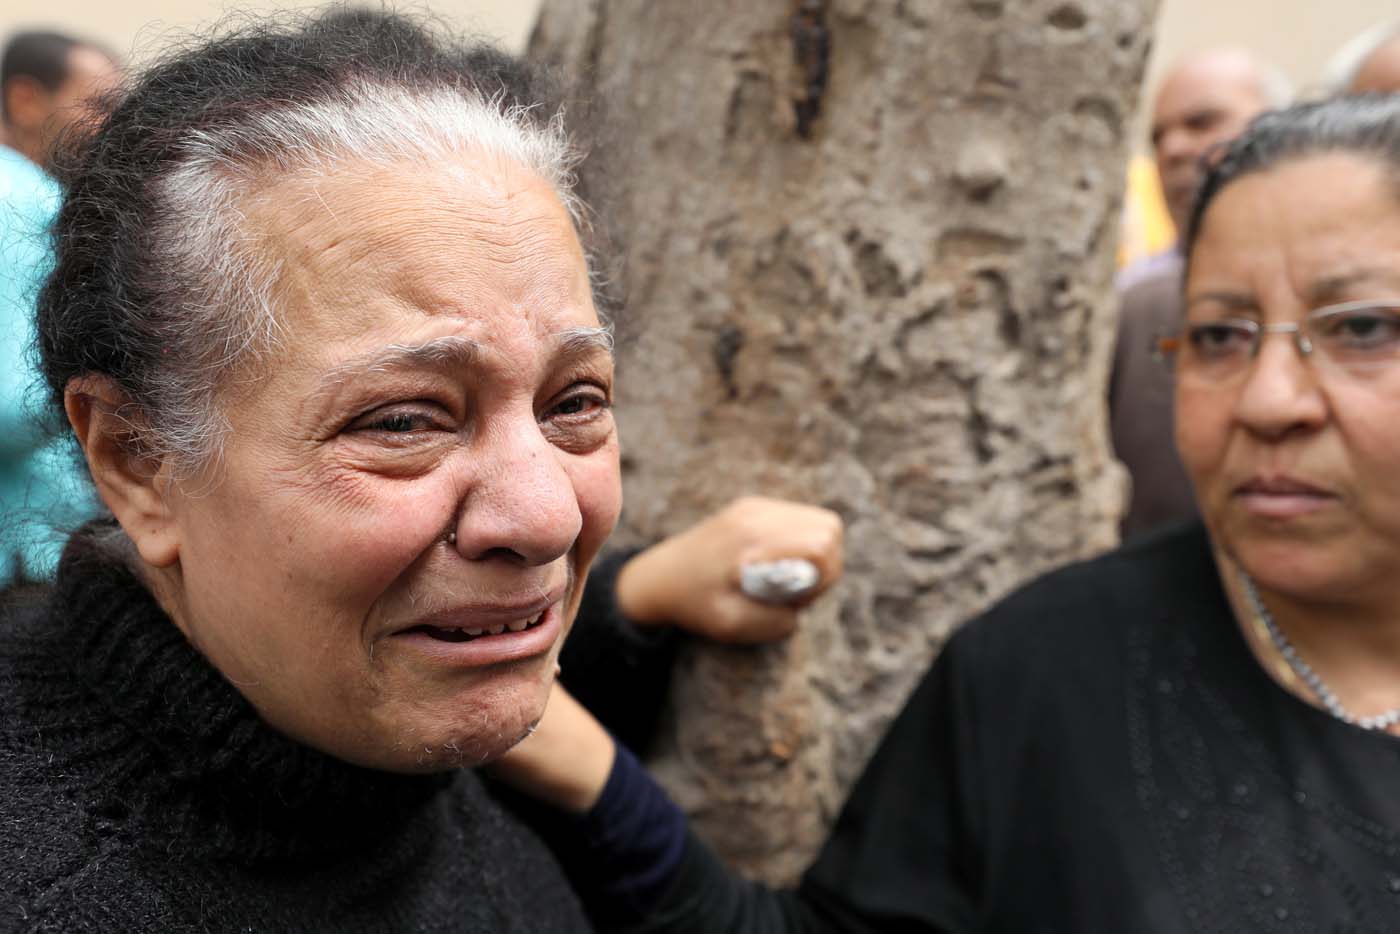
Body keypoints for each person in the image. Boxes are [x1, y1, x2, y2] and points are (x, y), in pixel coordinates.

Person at [0, 11, 846, 931]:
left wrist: (635, 601)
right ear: (138, 461)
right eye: (404, 420)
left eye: (574, 402)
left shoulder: (386, 748)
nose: (547, 518)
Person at [499, 94, 1400, 932]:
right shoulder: (1047, 671)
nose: (1270, 400)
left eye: (1362, 328)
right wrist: (598, 752)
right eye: (1219, 336)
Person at [1111, 48, 1289, 540]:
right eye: (1157, 137)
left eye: (1201, 122)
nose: (1172, 150)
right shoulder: (1132, 308)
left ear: (1284, 125)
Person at [0, 31, 119, 582]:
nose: (109, 125)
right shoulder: (22, 199)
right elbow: (14, 401)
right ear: (26, 100)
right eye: (96, 104)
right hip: (26, 549)